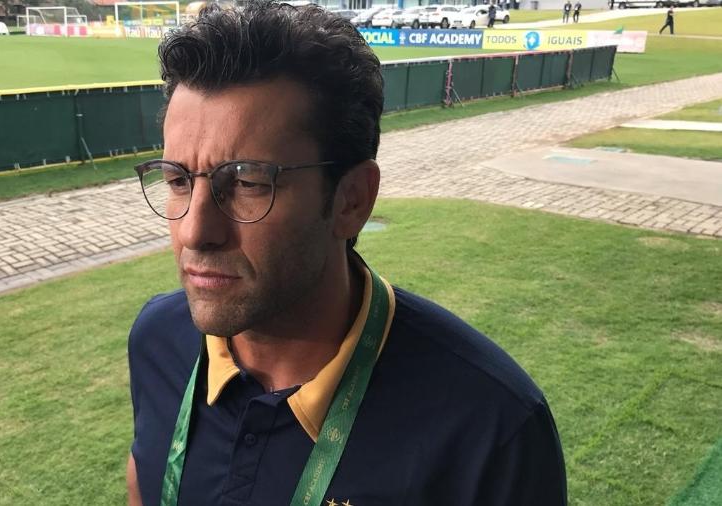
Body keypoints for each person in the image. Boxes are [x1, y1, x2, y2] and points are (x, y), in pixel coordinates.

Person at [126, 2, 567, 505]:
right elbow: (145, 475)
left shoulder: (491, 427)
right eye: (178, 180)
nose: (195, 232)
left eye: (247, 183)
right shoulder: (157, 340)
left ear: (351, 200)